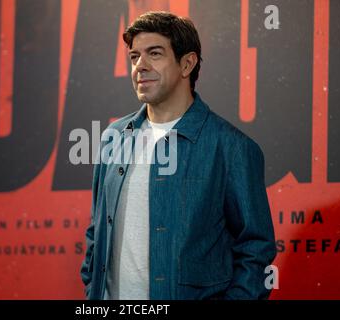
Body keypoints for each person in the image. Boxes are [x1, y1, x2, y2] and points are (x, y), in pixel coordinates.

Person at [80, 11, 276, 300]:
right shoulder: (113, 137)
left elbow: (255, 250)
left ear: (187, 63)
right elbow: (97, 231)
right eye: (134, 57)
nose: (140, 66)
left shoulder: (232, 148)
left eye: (154, 54)